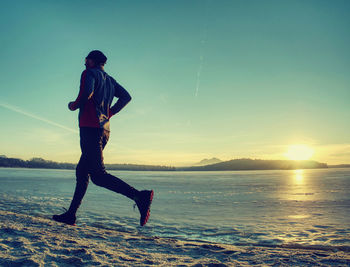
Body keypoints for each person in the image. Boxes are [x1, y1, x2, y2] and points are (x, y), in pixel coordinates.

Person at [52, 50, 153, 227]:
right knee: (82, 171)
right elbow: (126, 97)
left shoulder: (89, 73)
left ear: (93, 61)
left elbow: (86, 94)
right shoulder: (111, 80)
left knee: (98, 176)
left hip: (90, 128)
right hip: (104, 131)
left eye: (86, 60)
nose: (84, 63)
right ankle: (71, 215)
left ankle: (140, 196)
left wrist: (73, 106)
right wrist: (109, 114)